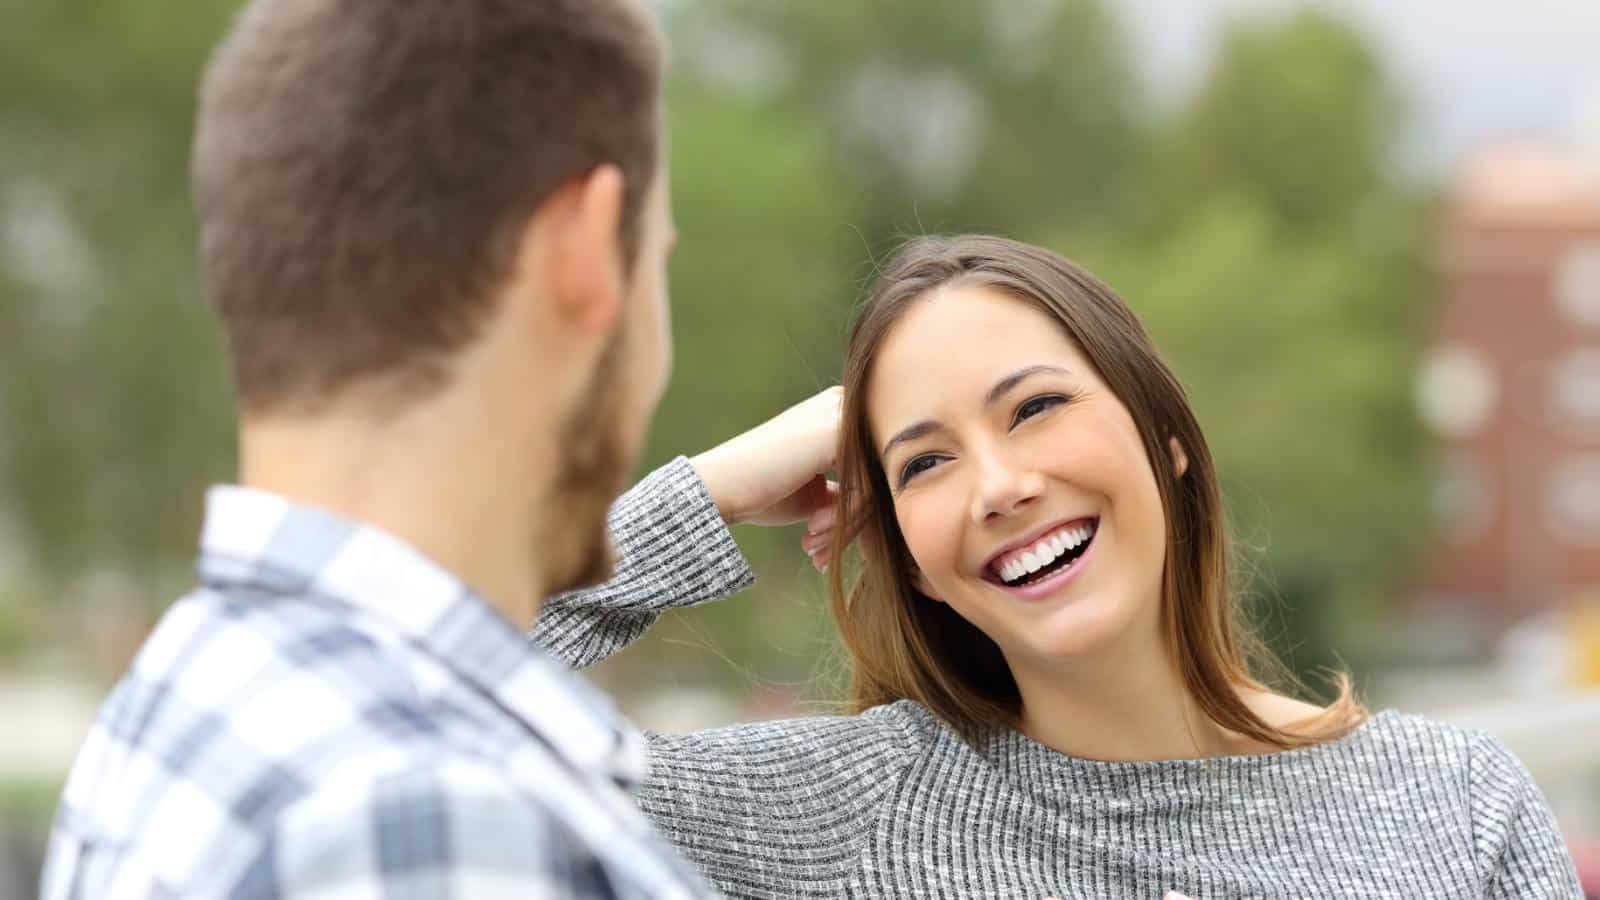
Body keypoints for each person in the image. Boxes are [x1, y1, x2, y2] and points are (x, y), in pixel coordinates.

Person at [535, 235, 1584, 898]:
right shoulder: (839, 816)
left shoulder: (1448, 805)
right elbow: (388, 705)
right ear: (915, 566)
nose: (997, 486)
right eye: (927, 461)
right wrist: (712, 490)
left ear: (1165, 445)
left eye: (1034, 408)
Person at [41, 0, 745, 896]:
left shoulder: (201, 684)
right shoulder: (433, 823)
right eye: (658, 261)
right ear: (588, 248)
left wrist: (698, 500)